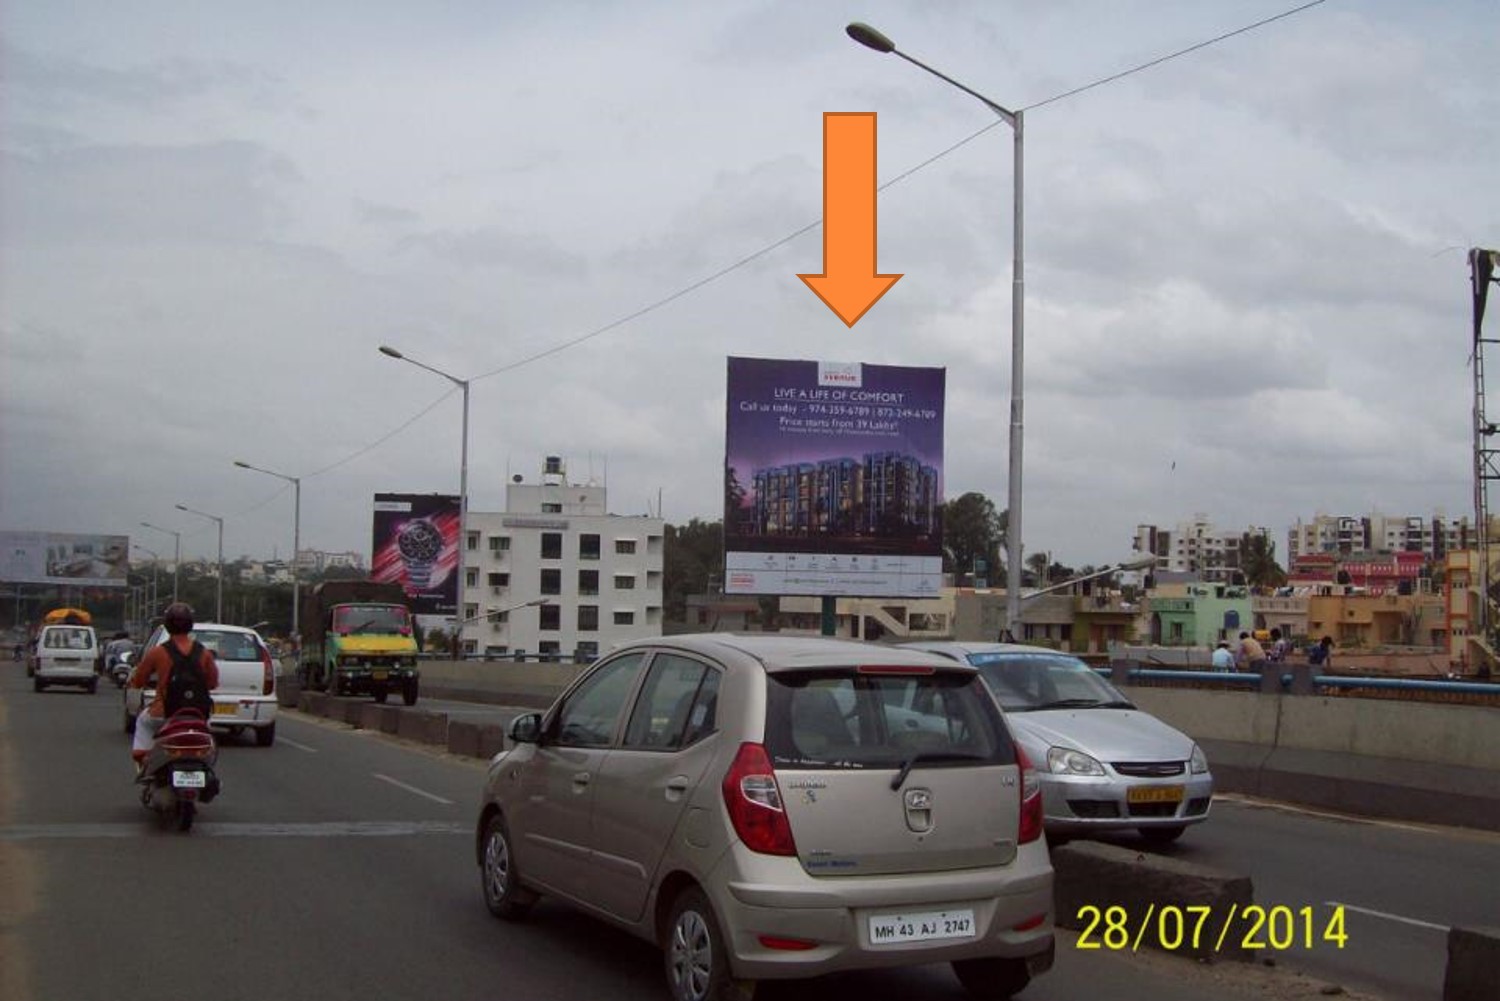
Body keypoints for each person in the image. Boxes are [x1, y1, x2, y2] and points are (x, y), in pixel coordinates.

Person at [127, 602, 219, 769]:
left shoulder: (157, 652)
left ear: (167, 625)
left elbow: (138, 681)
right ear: (190, 625)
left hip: (163, 713)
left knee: (142, 722)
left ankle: (144, 764)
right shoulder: (204, 652)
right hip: (198, 715)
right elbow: (212, 683)